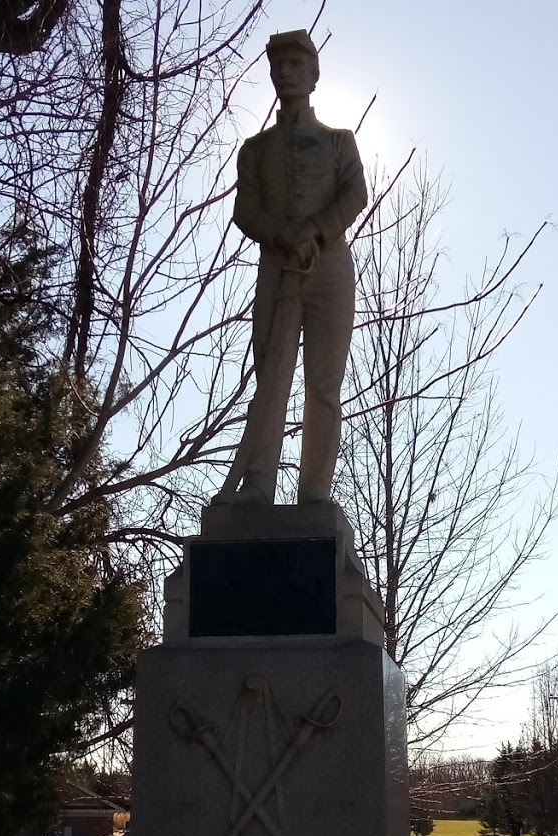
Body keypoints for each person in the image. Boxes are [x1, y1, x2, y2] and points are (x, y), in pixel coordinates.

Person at [216, 30, 368, 506]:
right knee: (272, 377)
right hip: (276, 270)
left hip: (330, 269)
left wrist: (317, 232)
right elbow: (245, 209)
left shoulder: (340, 142)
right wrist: (285, 237)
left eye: (296, 66)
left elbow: (355, 194)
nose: (286, 74)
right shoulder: (255, 150)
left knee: (324, 384)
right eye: (278, 66)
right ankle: (258, 483)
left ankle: (315, 488)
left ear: (314, 75)